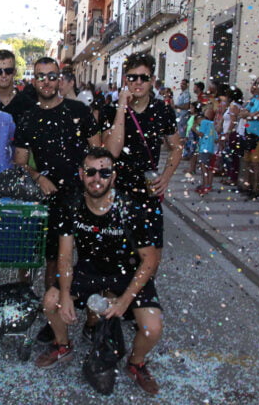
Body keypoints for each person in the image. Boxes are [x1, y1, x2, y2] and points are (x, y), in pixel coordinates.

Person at [35, 147, 163, 395]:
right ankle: (62, 344)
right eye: (91, 172)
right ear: (82, 174)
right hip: (88, 271)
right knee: (50, 302)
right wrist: (64, 294)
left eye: (104, 173)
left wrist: (125, 301)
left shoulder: (129, 209)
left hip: (127, 274)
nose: (97, 178)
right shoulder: (71, 205)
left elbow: (150, 260)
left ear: (113, 177)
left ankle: (136, 363)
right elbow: (64, 255)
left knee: (152, 328)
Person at [14, 57, 101, 343]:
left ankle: (92, 318)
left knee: (91, 258)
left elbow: (98, 152)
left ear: (60, 79)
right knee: (54, 259)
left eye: (52, 76)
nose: (47, 81)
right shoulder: (27, 117)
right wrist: (39, 178)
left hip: (85, 196)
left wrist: (92, 182)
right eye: (41, 76)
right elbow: (20, 163)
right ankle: (54, 318)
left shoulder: (79, 110)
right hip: (52, 198)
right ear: (34, 80)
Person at [101, 52, 181, 281]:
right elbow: (112, 151)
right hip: (119, 191)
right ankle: (118, 305)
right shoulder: (112, 110)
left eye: (143, 78)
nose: (138, 83)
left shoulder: (163, 111)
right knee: (118, 255)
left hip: (148, 191)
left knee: (152, 257)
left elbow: (177, 147)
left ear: (152, 80)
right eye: (132, 77)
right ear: (125, 80)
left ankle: (140, 303)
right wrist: (121, 109)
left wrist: (166, 176)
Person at [238, 76, 259, 200]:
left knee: (256, 163)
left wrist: (249, 115)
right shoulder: (254, 99)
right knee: (247, 161)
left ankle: (256, 188)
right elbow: (242, 113)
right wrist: (250, 115)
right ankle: (247, 186)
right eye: (257, 83)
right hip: (249, 134)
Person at [192, 109, 217, 195]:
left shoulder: (203, 123)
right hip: (212, 149)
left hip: (204, 148)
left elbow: (201, 134)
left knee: (203, 167)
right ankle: (209, 184)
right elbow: (216, 138)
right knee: (210, 168)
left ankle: (205, 185)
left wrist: (194, 129)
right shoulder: (212, 124)